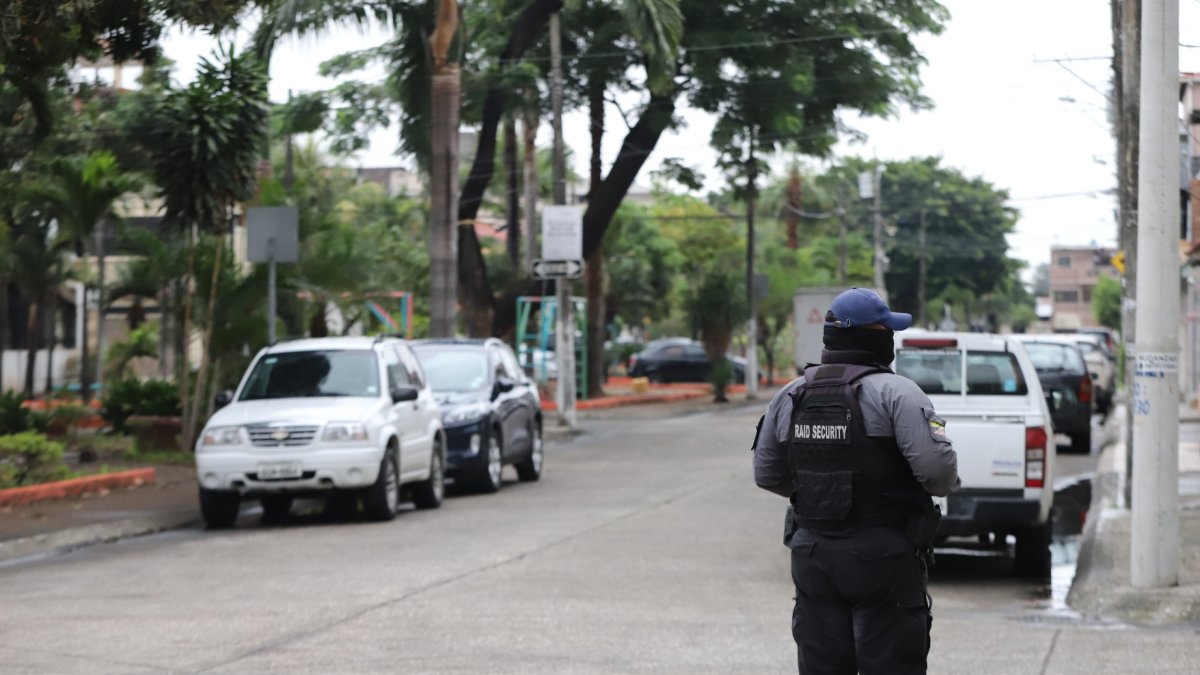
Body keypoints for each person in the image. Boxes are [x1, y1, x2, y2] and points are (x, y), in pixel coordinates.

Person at [752, 288, 959, 675]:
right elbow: (939, 475)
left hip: (812, 557)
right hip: (883, 556)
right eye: (888, 330)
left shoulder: (791, 395)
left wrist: (819, 492)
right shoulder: (898, 393)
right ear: (872, 336)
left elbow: (766, 473)